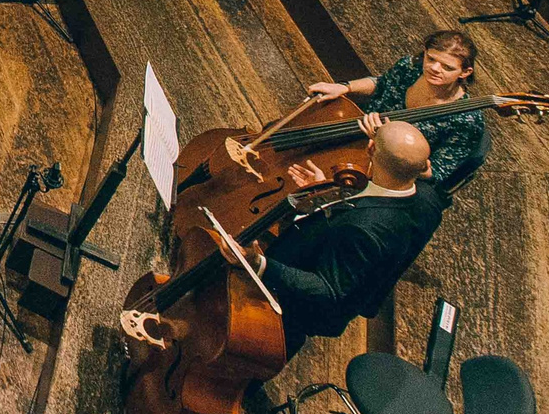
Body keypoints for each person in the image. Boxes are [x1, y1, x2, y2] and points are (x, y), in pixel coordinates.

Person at [123, 120, 443, 358]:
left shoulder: (362, 229)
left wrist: (259, 263)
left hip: (292, 307)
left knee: (232, 354)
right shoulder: (428, 201)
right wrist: (328, 198)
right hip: (348, 271)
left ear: (370, 148)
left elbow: (328, 290)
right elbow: (376, 237)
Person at [305, 28, 490, 198]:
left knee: (320, 190)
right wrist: (344, 87)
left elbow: (436, 172)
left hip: (389, 171)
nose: (434, 68)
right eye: (431, 58)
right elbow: (381, 83)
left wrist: (385, 142)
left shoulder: (467, 120)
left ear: (465, 72)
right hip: (357, 135)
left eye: (447, 67)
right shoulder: (410, 68)